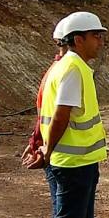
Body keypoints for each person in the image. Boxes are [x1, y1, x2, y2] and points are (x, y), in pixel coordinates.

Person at [34, 11, 109, 218]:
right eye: (96, 36)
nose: (101, 41)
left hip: (80, 162)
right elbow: (62, 114)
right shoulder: (73, 68)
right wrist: (48, 151)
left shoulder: (68, 66)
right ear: (78, 39)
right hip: (71, 165)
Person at [21, 22, 69, 169]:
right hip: (63, 159)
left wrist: (35, 142)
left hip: (55, 153)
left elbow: (43, 115)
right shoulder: (66, 72)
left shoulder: (55, 70)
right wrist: (38, 143)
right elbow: (56, 116)